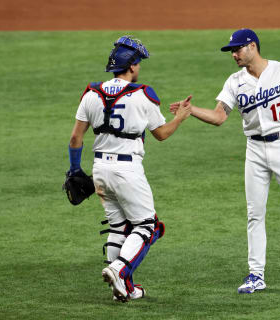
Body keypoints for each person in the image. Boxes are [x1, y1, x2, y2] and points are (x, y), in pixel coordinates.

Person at [170, 29, 280, 292]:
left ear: (253, 46)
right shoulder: (234, 81)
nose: (234, 54)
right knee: (254, 213)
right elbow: (219, 117)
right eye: (232, 50)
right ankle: (256, 274)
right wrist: (191, 110)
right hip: (254, 151)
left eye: (238, 48)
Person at [67, 36, 191, 302]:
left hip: (99, 169)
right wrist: (180, 117)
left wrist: (74, 170)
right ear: (132, 66)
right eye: (139, 64)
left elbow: (75, 139)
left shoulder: (91, 93)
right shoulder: (143, 94)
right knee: (148, 226)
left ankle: (124, 290)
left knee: (118, 226)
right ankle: (118, 270)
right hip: (127, 171)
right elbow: (161, 134)